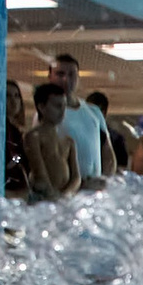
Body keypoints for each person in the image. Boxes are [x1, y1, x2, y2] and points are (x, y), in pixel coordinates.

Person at [48, 54, 115, 187]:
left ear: (78, 78)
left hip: (95, 190)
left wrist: (105, 181)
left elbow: (107, 152)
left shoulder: (93, 111)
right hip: (67, 189)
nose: (66, 79)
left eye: (72, 74)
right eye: (60, 74)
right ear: (50, 77)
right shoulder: (47, 114)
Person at [3, 80, 30, 196]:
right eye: (7, 96)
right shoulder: (2, 130)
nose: (13, 101)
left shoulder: (15, 132)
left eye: (17, 96)